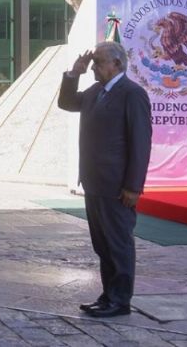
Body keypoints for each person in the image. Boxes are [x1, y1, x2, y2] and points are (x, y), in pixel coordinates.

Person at [57, 41, 152, 318]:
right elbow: (66, 102)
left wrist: (134, 186)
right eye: (94, 61)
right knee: (102, 245)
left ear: (117, 64)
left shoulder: (132, 94)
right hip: (94, 181)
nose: (94, 67)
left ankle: (120, 300)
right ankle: (108, 294)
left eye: (98, 62)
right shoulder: (95, 91)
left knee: (118, 243)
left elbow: (140, 143)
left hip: (116, 186)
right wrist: (74, 73)